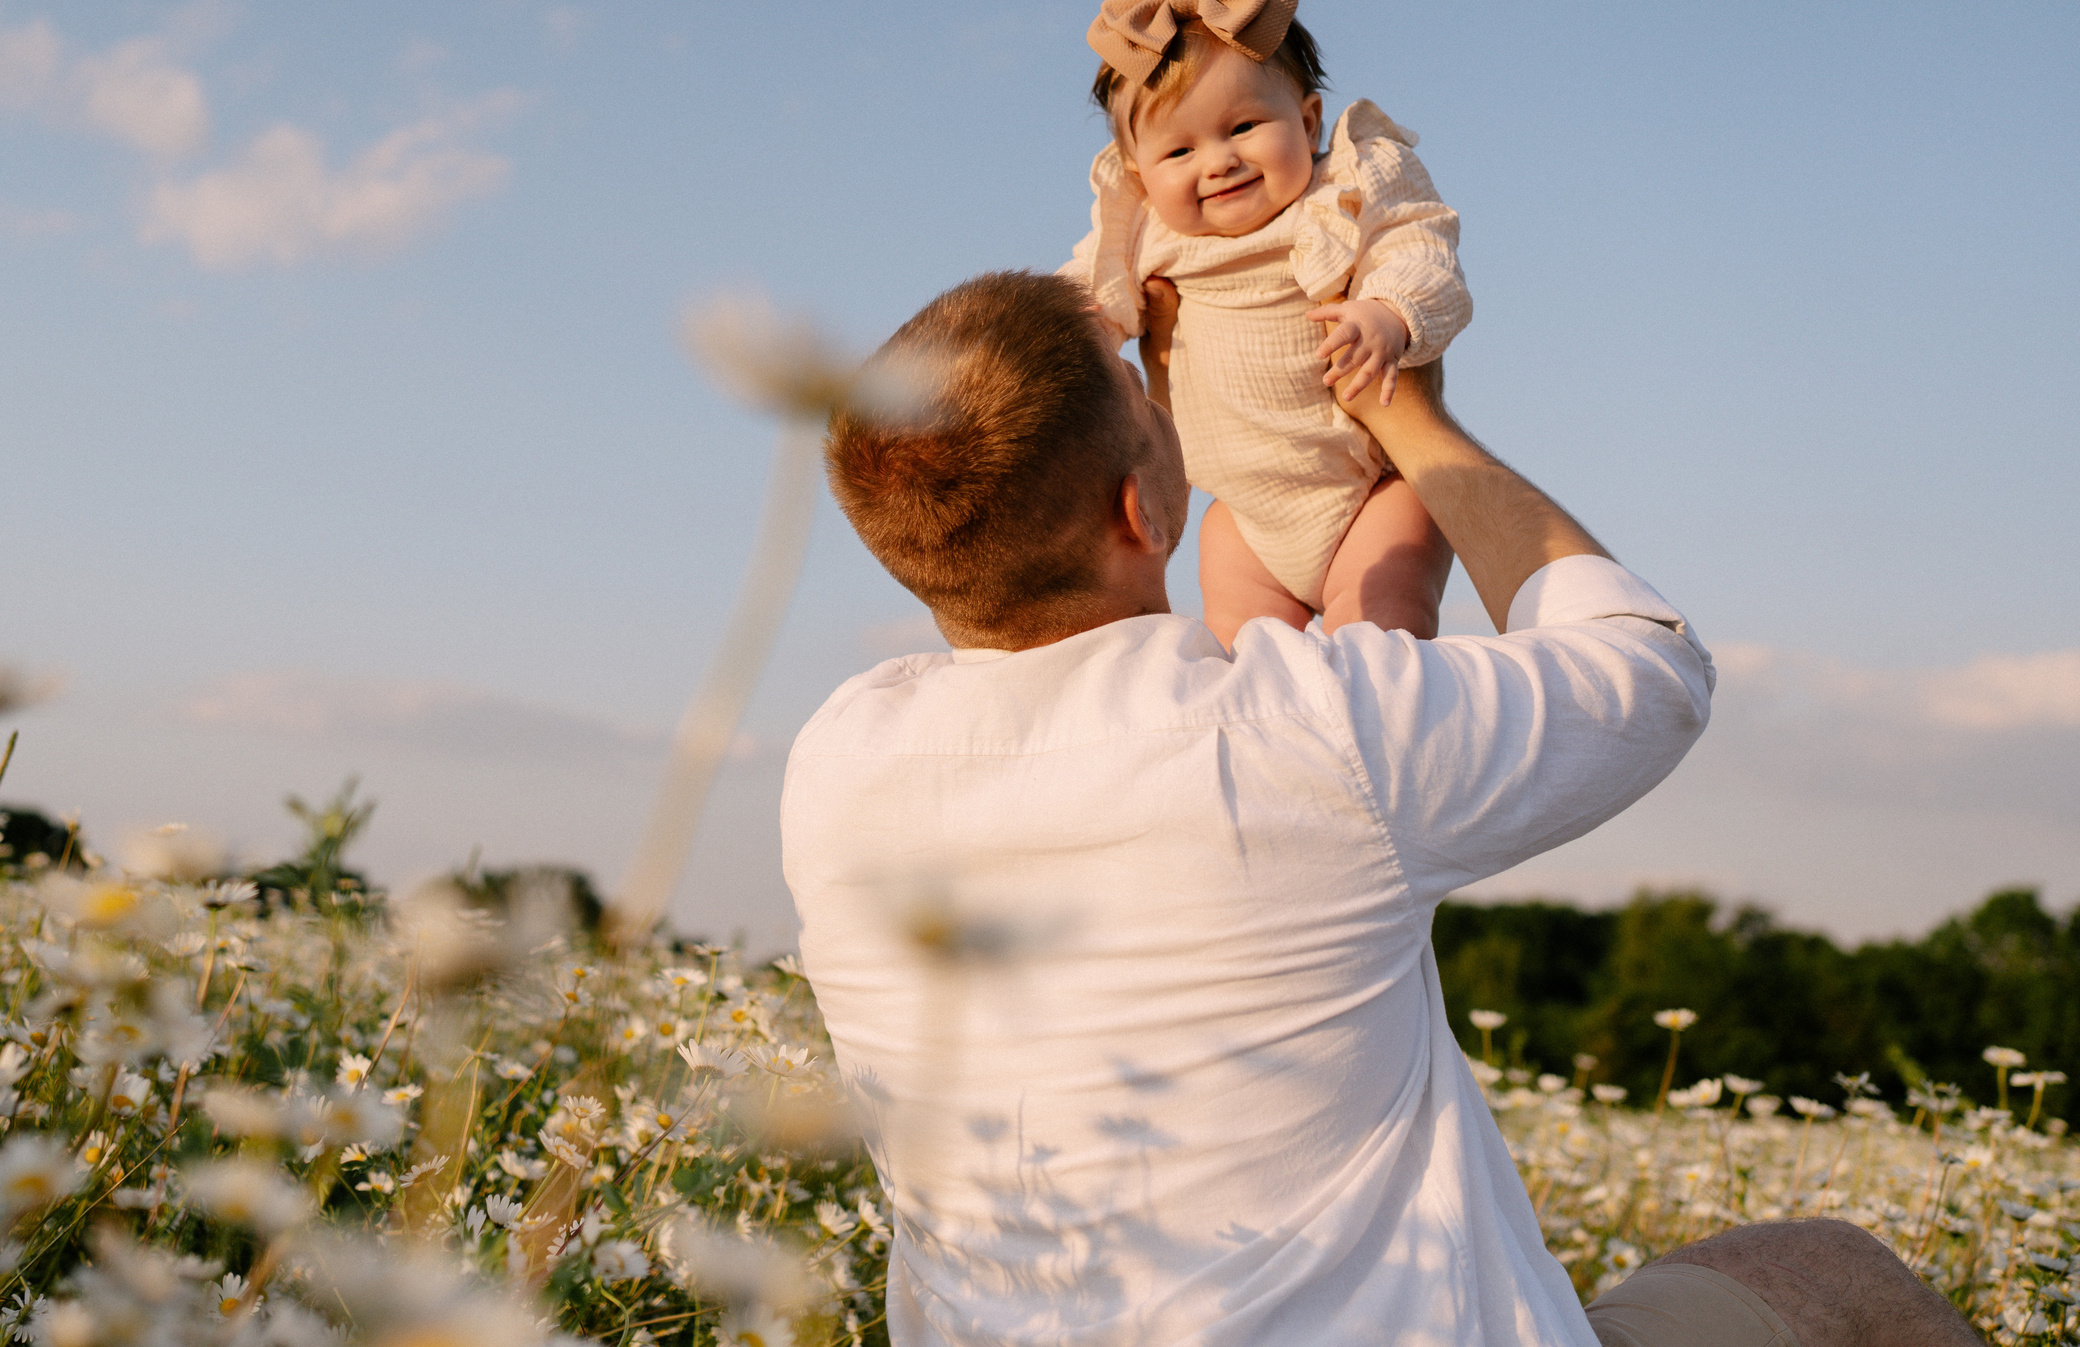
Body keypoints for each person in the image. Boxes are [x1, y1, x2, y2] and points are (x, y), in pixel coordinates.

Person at [783, 271, 1977, 1346]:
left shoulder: (835, 766)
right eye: (1145, 394)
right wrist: (1411, 422)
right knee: (1830, 1269)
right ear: (1143, 510)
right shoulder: (1310, 732)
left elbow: (977, 477)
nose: (1163, 395)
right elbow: (1648, 667)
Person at [1060, 0, 1468, 650]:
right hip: (1246, 515)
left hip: (1372, 488)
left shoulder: (1343, 191)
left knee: (1381, 636)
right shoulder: (1146, 233)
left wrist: (1388, 312)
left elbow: (1418, 244)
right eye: (1179, 151)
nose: (1218, 161)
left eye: (1243, 127)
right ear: (1138, 173)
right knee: (1240, 652)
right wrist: (1081, 331)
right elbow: (1091, 292)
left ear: (1308, 124)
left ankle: (1381, 701)